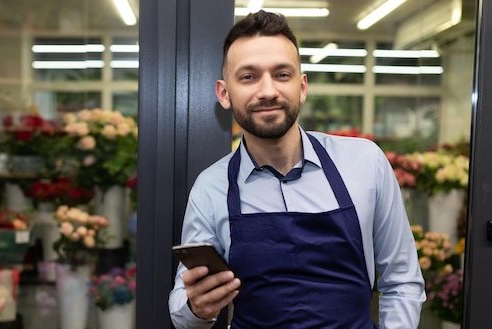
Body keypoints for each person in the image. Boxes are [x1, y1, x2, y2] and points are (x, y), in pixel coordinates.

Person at [168, 10, 426, 329]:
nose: (268, 91)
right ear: (224, 93)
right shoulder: (211, 187)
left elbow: (402, 282)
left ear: (302, 87)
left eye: (282, 74)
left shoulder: (365, 163)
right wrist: (198, 308)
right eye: (248, 76)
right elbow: (182, 308)